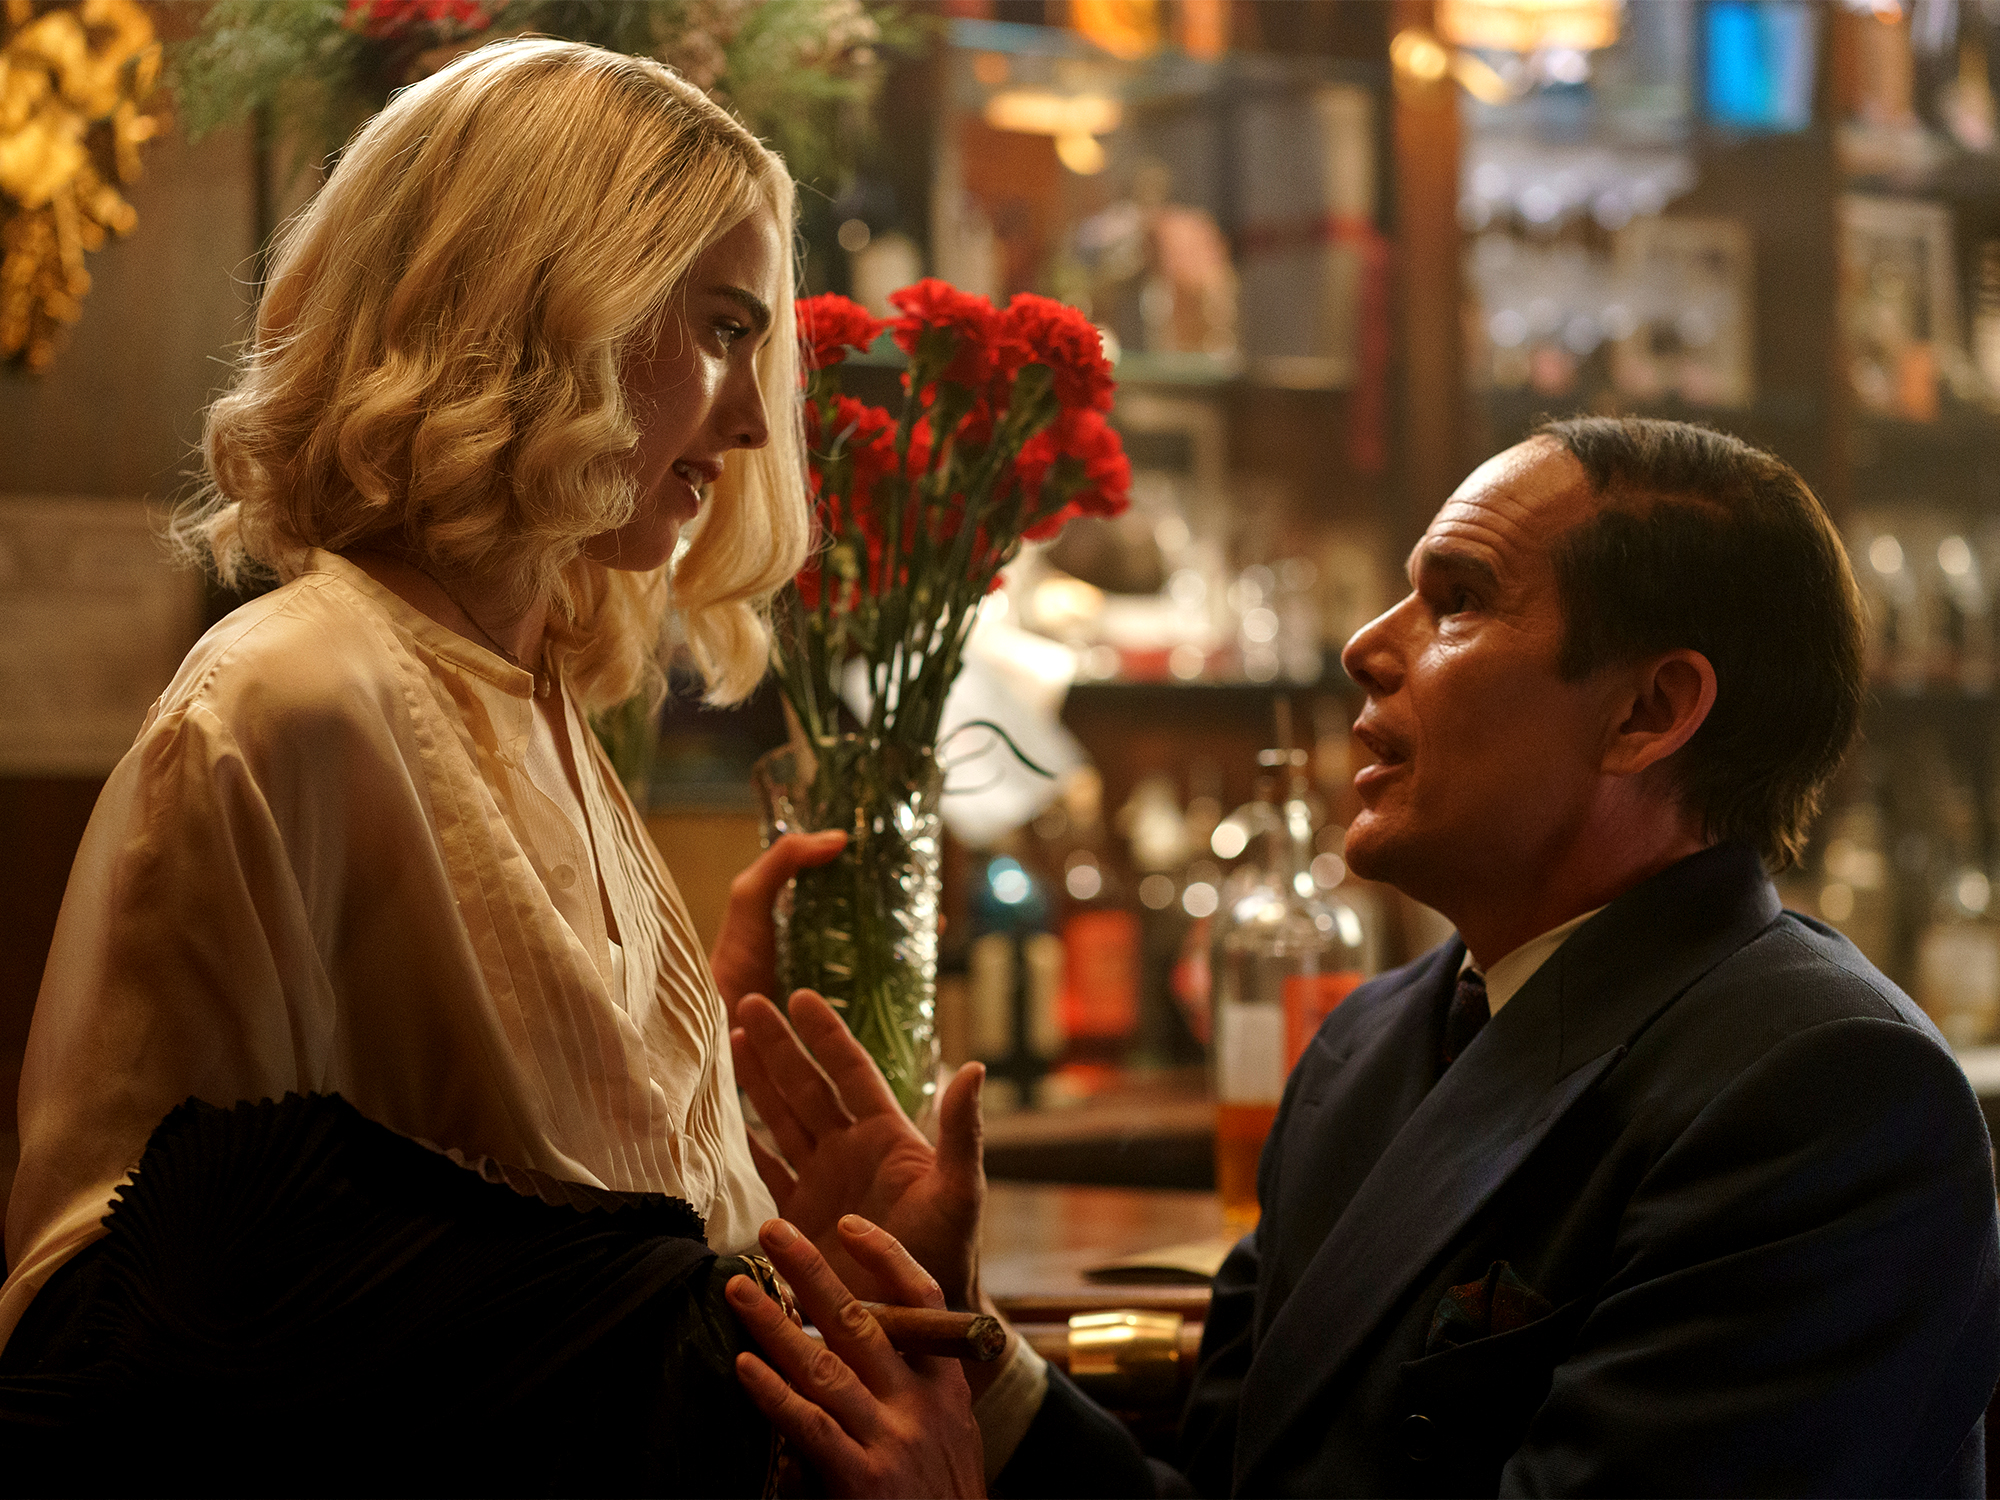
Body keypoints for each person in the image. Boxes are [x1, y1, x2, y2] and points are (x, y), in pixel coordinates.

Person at [725, 417, 2000, 1497]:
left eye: (1456, 601)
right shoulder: (1368, 1041)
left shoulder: (1820, 1094)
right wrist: (964, 1353)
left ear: (1647, 712)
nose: (1365, 644)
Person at [0, 33, 845, 1434]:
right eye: (720, 328)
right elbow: (105, 1322)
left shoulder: (546, 695)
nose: (754, 419)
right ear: (539, 306)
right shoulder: (294, 702)